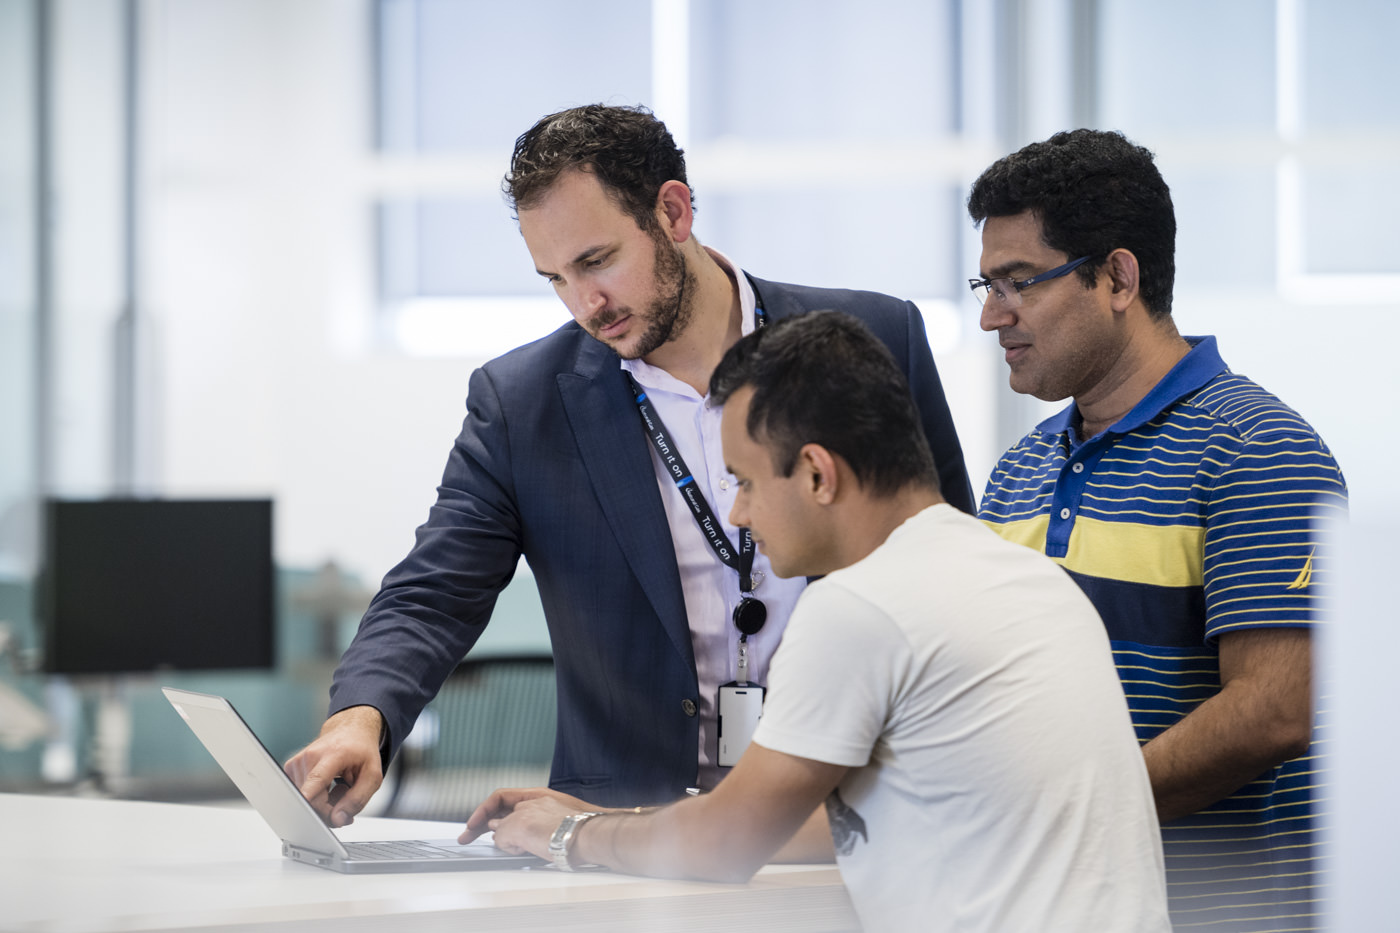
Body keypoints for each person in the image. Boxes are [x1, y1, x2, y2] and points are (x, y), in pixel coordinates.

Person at [285, 104, 974, 822]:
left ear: (673, 212)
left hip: (862, 816)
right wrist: (359, 718)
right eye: (554, 277)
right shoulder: (522, 403)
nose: (586, 303)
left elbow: (946, 557)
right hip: (625, 841)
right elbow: (433, 589)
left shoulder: (876, 339)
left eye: (597, 260)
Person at [464, 310, 1171, 933]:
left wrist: (573, 835)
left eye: (744, 481)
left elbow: (728, 842)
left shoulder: (862, 604)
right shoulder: (1018, 576)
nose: (737, 513)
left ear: (817, 474)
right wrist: (604, 817)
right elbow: (810, 824)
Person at [967, 128, 1349, 932]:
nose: (990, 316)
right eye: (985, 283)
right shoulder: (1015, 474)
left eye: (1018, 282)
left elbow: (1278, 706)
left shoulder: (1259, 448)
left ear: (1117, 277)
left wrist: (1063, 819)